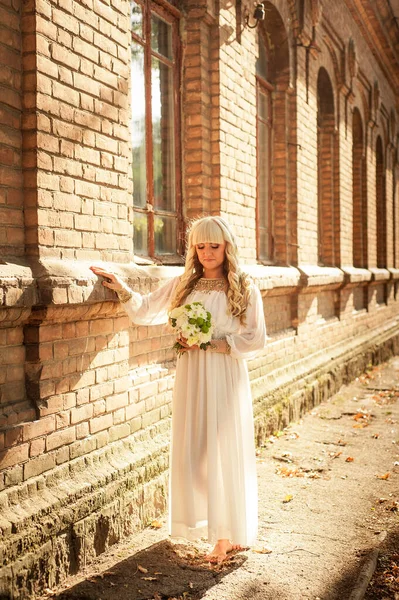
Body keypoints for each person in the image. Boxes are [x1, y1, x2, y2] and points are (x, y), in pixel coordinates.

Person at [90, 216, 266, 564]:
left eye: (213, 246)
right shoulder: (184, 284)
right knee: (196, 449)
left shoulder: (244, 286)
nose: (206, 253)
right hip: (191, 376)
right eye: (200, 246)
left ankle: (225, 536)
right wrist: (121, 287)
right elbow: (146, 311)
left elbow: (256, 338)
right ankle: (210, 523)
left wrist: (210, 343)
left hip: (225, 375)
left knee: (223, 447)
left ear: (227, 247)